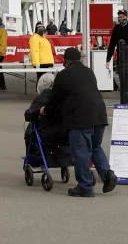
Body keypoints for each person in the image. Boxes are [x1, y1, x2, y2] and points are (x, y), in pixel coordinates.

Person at [41, 48, 116, 197]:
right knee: (95, 147)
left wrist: (46, 111)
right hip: (99, 115)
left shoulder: (63, 75)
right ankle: (108, 175)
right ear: (80, 59)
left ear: (65, 61)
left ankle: (85, 187)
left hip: (80, 118)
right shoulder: (89, 72)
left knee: (80, 152)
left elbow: (54, 98)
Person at [0, 17, 9, 91]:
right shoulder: (0, 30)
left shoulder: (2, 31)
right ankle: (1, 85)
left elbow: (3, 43)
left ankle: (2, 85)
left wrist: (0, 52)